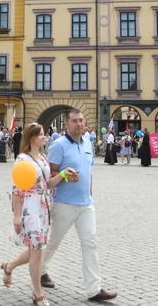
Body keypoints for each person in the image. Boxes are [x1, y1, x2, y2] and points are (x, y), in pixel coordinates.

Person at [40, 109, 116, 302]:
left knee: (90, 244)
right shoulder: (58, 145)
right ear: (66, 124)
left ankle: (94, 289)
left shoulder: (88, 143)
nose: (79, 124)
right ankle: (40, 271)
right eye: (74, 121)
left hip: (86, 205)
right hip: (64, 204)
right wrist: (65, 175)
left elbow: (88, 171)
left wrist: (89, 192)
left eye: (81, 120)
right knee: (53, 242)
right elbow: (50, 176)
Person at [1, 124, 78, 306]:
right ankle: (38, 293)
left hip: (43, 208)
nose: (44, 137)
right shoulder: (22, 160)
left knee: (37, 249)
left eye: (44, 134)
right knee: (37, 252)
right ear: (31, 137)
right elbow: (17, 189)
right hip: (29, 209)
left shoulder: (43, 157)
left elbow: (48, 184)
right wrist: (17, 216)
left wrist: (63, 174)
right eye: (41, 135)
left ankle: (9, 265)